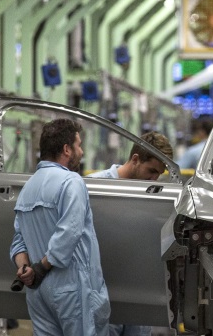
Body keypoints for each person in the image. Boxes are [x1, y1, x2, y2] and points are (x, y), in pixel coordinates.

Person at [10, 118, 110, 335]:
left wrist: (25, 269)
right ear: (67, 149)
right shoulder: (71, 182)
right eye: (79, 145)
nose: (81, 152)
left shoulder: (27, 188)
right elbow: (68, 233)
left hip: (38, 293)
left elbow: (18, 241)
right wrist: (41, 268)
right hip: (71, 289)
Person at [87, 131, 174, 336]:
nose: (155, 178)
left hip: (138, 295)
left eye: (159, 174)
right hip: (103, 293)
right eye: (151, 170)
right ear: (135, 159)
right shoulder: (93, 187)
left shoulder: (153, 193)